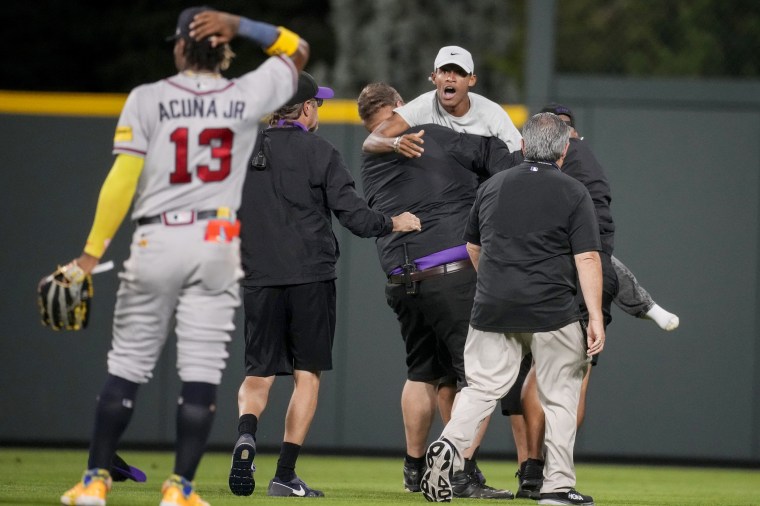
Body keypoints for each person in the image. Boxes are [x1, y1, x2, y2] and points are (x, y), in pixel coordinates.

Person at [58, 7, 309, 506]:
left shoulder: (147, 98)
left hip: (157, 240)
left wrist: (89, 256)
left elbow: (122, 180)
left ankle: (93, 483)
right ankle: (181, 489)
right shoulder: (244, 94)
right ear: (224, 47)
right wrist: (241, 25)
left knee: (127, 365)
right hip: (216, 243)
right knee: (200, 371)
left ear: (178, 47)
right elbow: (296, 50)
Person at [227, 73, 421, 499]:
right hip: (310, 277)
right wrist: (393, 222)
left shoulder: (242, 150)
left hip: (260, 276)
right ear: (307, 109)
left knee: (258, 374)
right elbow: (354, 216)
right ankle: (284, 473)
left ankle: (245, 436)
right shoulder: (321, 152)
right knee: (306, 376)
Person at [421, 113, 603, 506]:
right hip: (552, 309)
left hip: (492, 306)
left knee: (481, 389)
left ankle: (449, 445)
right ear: (564, 148)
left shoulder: (492, 186)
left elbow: (473, 247)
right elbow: (588, 258)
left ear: (522, 145)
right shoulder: (574, 191)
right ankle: (556, 487)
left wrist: (495, 282)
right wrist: (597, 317)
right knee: (559, 397)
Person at [509, 103, 680, 499]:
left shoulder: (524, 163)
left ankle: (532, 470)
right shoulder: (586, 163)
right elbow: (593, 252)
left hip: (531, 276)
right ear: (570, 137)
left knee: (531, 372)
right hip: (587, 275)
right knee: (573, 380)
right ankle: (555, 477)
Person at [357, 82, 520, 499]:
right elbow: (497, 158)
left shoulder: (368, 159)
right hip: (449, 274)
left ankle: (414, 470)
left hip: (401, 278)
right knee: (478, 379)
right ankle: (459, 474)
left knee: (425, 373)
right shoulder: (433, 134)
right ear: (400, 108)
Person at [362, 46, 522, 157]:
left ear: (471, 80)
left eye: (459, 72)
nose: (450, 78)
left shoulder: (492, 114)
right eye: (444, 71)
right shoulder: (421, 106)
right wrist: (396, 143)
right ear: (434, 77)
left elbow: (519, 156)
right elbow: (371, 141)